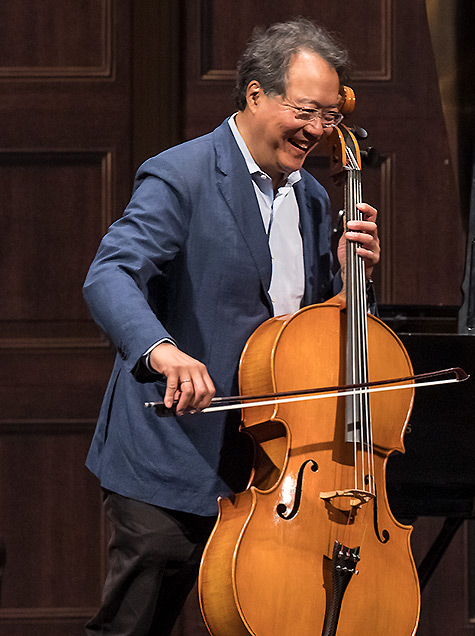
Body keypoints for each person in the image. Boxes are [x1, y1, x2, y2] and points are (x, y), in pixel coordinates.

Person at [82, 19, 380, 636]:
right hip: (173, 450)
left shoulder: (314, 199)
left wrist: (355, 284)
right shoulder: (182, 174)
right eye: (305, 111)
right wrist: (161, 350)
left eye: (330, 117)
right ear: (255, 94)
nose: (318, 130)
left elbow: (312, 332)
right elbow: (110, 274)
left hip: (271, 463)